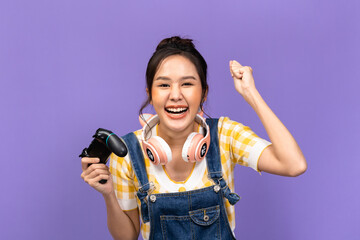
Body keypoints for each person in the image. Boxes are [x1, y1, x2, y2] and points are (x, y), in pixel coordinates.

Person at [81, 36, 307, 240]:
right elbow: (126, 237)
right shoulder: (128, 152)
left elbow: (294, 164)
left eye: (187, 84)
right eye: (163, 85)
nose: (176, 95)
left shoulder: (225, 135)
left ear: (204, 92)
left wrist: (251, 94)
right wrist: (109, 194)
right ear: (150, 94)